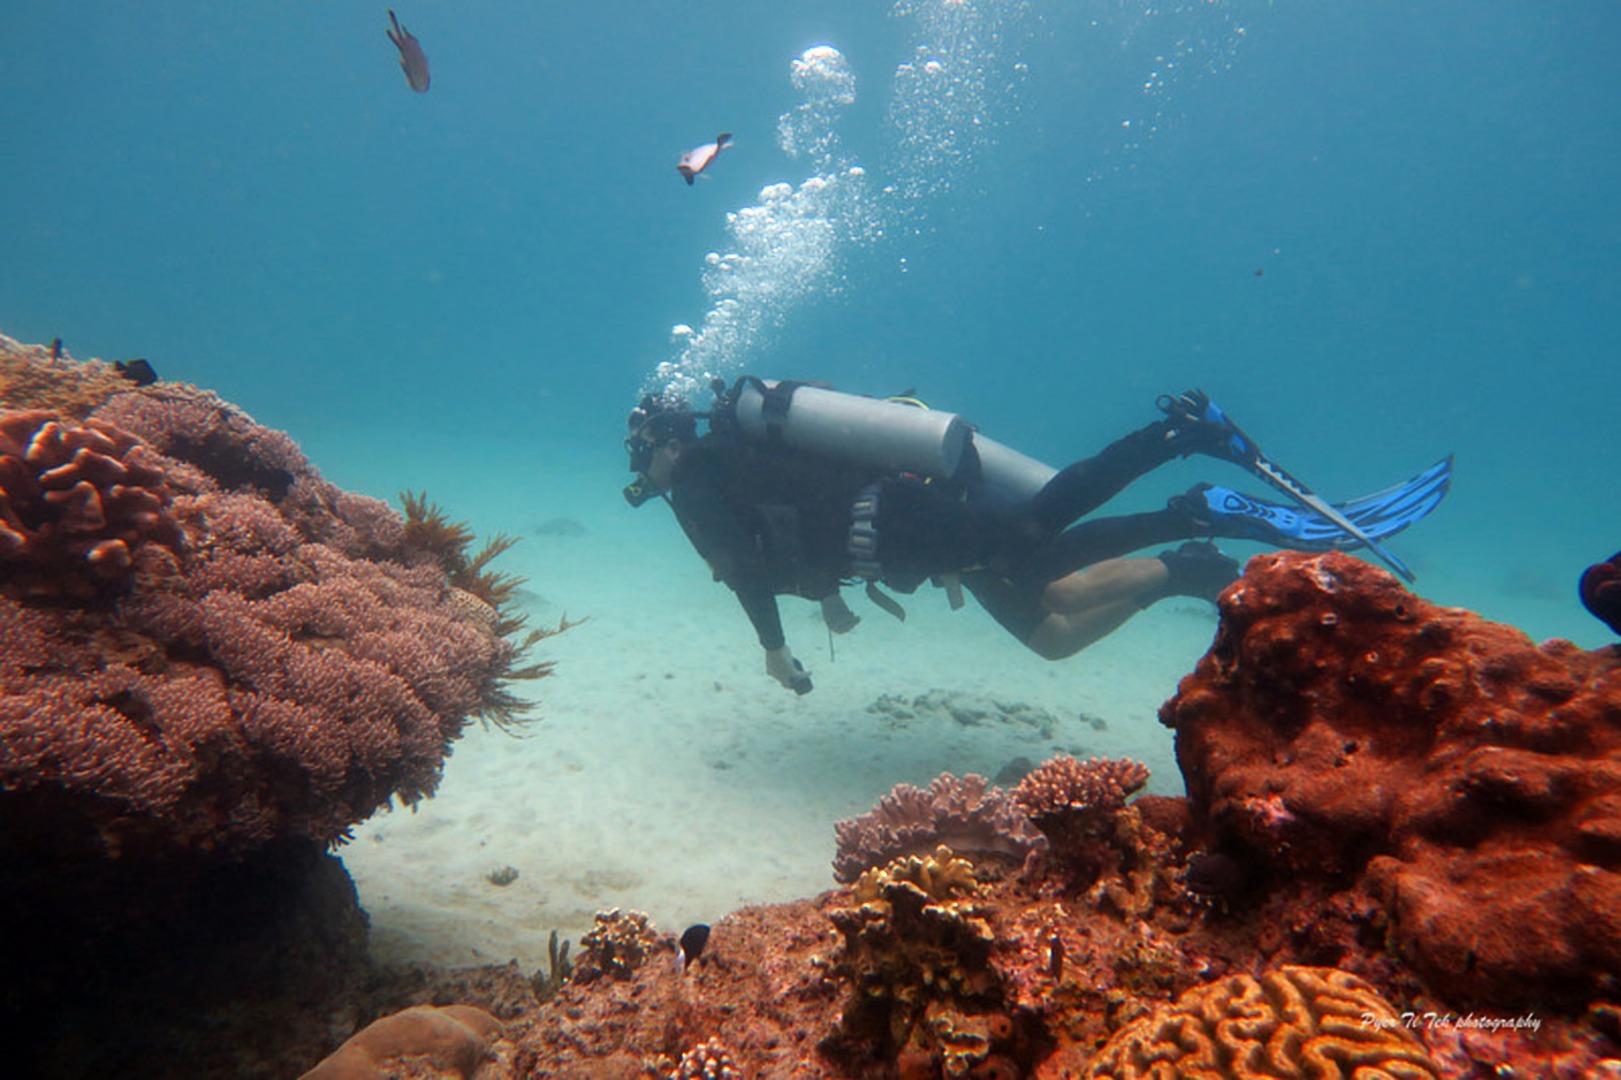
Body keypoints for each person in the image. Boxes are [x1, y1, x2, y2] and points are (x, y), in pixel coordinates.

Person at [624, 377, 1442, 693]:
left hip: (908, 528)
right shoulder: (735, 458)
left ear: (661, 444)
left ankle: (1179, 462)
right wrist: (834, 596)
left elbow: (741, 568)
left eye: (642, 458)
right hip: (903, 528)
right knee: (1044, 597)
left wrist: (770, 646)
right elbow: (795, 525)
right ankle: (1184, 542)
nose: (648, 476)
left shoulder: (695, 478)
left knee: (1035, 535)